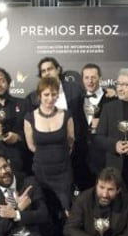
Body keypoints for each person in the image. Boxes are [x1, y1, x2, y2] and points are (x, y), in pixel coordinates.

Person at [27, 57, 88, 191]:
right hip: (50, 158)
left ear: (58, 70)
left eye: (50, 69)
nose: (47, 73)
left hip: (78, 150)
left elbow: (93, 98)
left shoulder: (76, 88)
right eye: (43, 71)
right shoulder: (32, 98)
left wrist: (109, 93)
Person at [24, 77, 74, 216]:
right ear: (39, 95)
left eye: (54, 94)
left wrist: (59, 156)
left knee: (66, 210)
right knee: (46, 212)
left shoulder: (66, 115)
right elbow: (31, 146)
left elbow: (71, 142)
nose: (50, 98)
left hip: (63, 172)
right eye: (46, 94)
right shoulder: (29, 117)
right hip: (41, 173)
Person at [81, 63, 114, 182]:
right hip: (82, 161)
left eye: (93, 77)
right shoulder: (76, 101)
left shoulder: (112, 99)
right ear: (82, 79)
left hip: (105, 158)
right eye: (86, 77)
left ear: (100, 78)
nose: (90, 81)